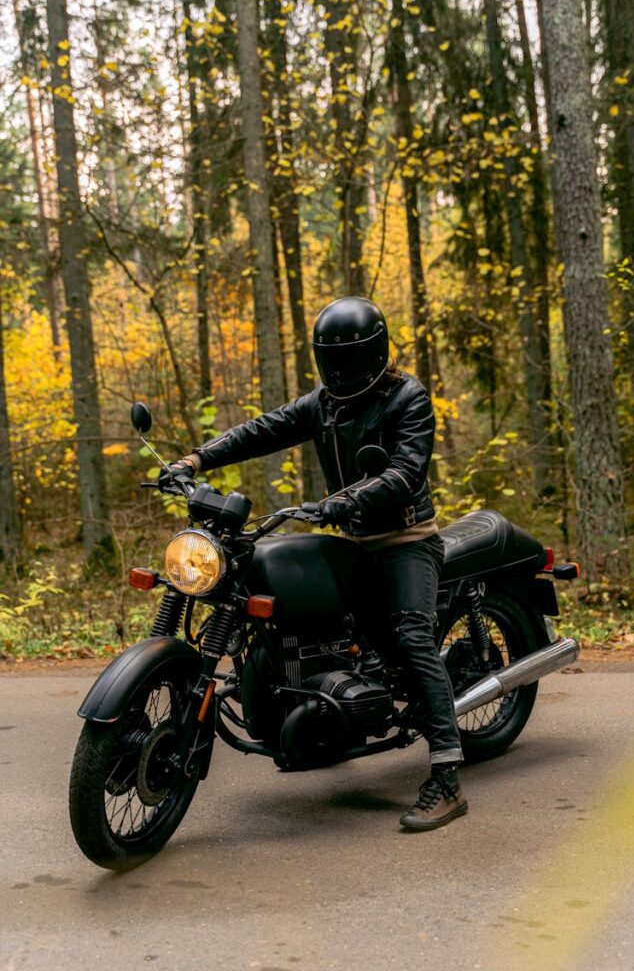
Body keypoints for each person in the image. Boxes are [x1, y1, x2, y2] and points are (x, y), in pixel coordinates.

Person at [163, 296, 467, 831]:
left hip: (404, 537)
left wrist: (342, 500)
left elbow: (406, 472)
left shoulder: (406, 397)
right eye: (331, 360)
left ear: (373, 354)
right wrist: (198, 458)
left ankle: (446, 775)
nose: (339, 371)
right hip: (351, 535)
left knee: (412, 635)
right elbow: (265, 429)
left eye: (346, 360)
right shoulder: (324, 402)